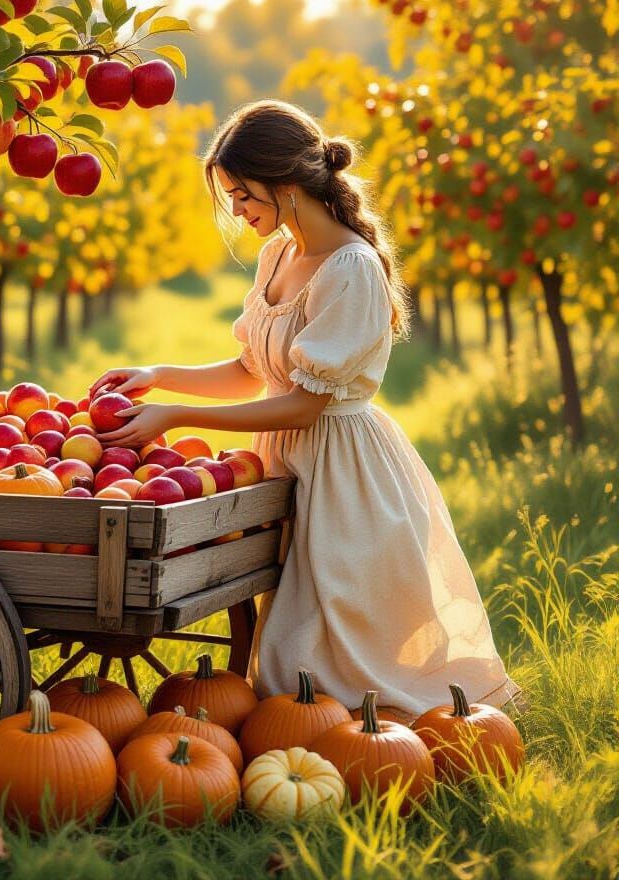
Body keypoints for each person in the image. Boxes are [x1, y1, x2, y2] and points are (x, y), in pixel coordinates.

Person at [90, 99, 524, 723]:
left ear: (287, 185)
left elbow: (304, 405)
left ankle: (369, 742)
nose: (237, 210)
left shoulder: (351, 268)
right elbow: (250, 374)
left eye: (243, 194)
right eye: (232, 197)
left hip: (341, 469)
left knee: (329, 639)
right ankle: (312, 733)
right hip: (283, 462)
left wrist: (177, 416)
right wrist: (158, 377)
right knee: (289, 629)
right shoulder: (279, 256)